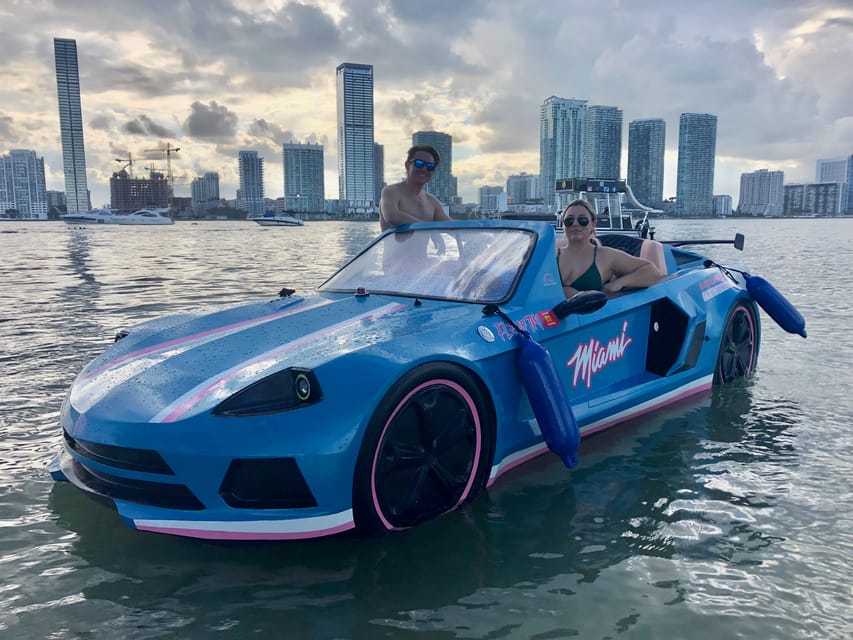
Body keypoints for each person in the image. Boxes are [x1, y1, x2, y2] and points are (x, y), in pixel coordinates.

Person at [556, 199, 661, 297]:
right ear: (563, 225)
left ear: (593, 224)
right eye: (569, 220)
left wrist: (620, 283)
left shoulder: (606, 256)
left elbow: (652, 272)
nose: (575, 224)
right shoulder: (552, 255)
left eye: (582, 220)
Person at [379, 144, 451, 230]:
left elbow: (452, 227)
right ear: (407, 165)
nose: (424, 169)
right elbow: (392, 216)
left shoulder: (432, 201)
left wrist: (469, 237)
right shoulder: (391, 192)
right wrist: (427, 227)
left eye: (430, 166)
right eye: (419, 163)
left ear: (433, 171)